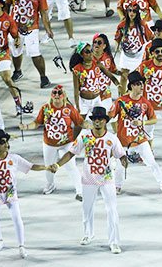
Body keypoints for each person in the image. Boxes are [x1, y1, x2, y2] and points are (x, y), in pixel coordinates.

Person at [53, 106, 128, 254]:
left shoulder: (112, 138)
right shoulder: (84, 137)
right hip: (88, 178)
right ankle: (88, 234)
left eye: (100, 119)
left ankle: (114, 242)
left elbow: (121, 155)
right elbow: (71, 153)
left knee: (112, 210)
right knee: (87, 208)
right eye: (95, 119)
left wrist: (124, 160)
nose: (97, 122)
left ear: (105, 121)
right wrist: (58, 164)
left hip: (107, 178)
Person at [0, 129, 50, 258]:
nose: (7, 145)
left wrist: (46, 167)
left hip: (10, 193)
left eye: (7, 142)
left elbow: (31, 166)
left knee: (16, 218)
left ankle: (21, 246)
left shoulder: (14, 158)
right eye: (3, 142)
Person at [19, 85, 84, 199]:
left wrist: (92, 126)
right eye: (54, 92)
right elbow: (37, 123)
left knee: (71, 166)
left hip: (66, 143)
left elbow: (80, 122)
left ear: (64, 95)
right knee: (48, 167)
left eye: (59, 93)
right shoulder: (45, 108)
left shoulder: (69, 109)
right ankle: (50, 184)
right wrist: (26, 126)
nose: (57, 95)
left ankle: (80, 190)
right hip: (49, 143)